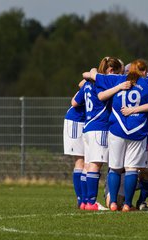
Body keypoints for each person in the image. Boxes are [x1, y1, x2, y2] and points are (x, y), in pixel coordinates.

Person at [83, 59, 148, 212]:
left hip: (117, 129)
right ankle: (127, 204)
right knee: (132, 169)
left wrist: (93, 71)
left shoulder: (117, 79)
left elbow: (93, 75)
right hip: (138, 130)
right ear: (144, 71)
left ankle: (113, 203)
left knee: (115, 168)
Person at [72, 56, 129, 211]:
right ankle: (91, 202)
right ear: (111, 70)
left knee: (88, 165)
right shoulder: (102, 83)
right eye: (119, 72)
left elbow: (76, 98)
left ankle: (84, 202)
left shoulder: (89, 82)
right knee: (95, 165)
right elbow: (102, 96)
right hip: (100, 127)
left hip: (88, 127)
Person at [63, 80, 86, 208]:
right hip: (76, 121)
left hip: (87, 123)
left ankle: (86, 199)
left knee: (88, 162)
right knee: (80, 161)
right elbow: (81, 84)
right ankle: (81, 199)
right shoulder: (96, 80)